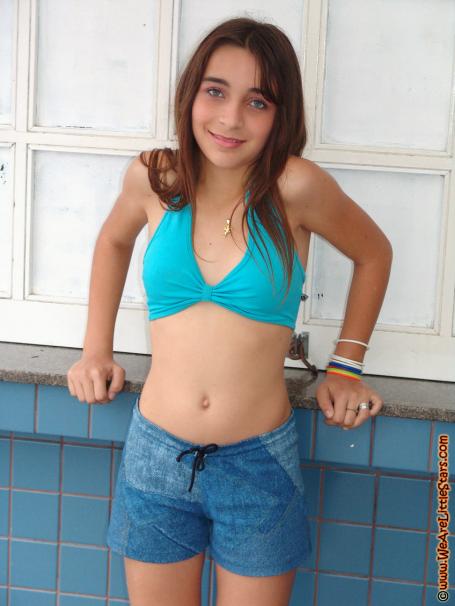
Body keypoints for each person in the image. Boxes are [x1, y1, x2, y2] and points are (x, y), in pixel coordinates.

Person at [67, 16, 391, 606]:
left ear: (281, 115)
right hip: (156, 455)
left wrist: (346, 367)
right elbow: (112, 241)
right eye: (215, 91)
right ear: (191, 94)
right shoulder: (155, 177)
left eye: (257, 102)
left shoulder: (295, 187)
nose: (231, 118)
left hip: (258, 461)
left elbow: (374, 253)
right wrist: (95, 351)